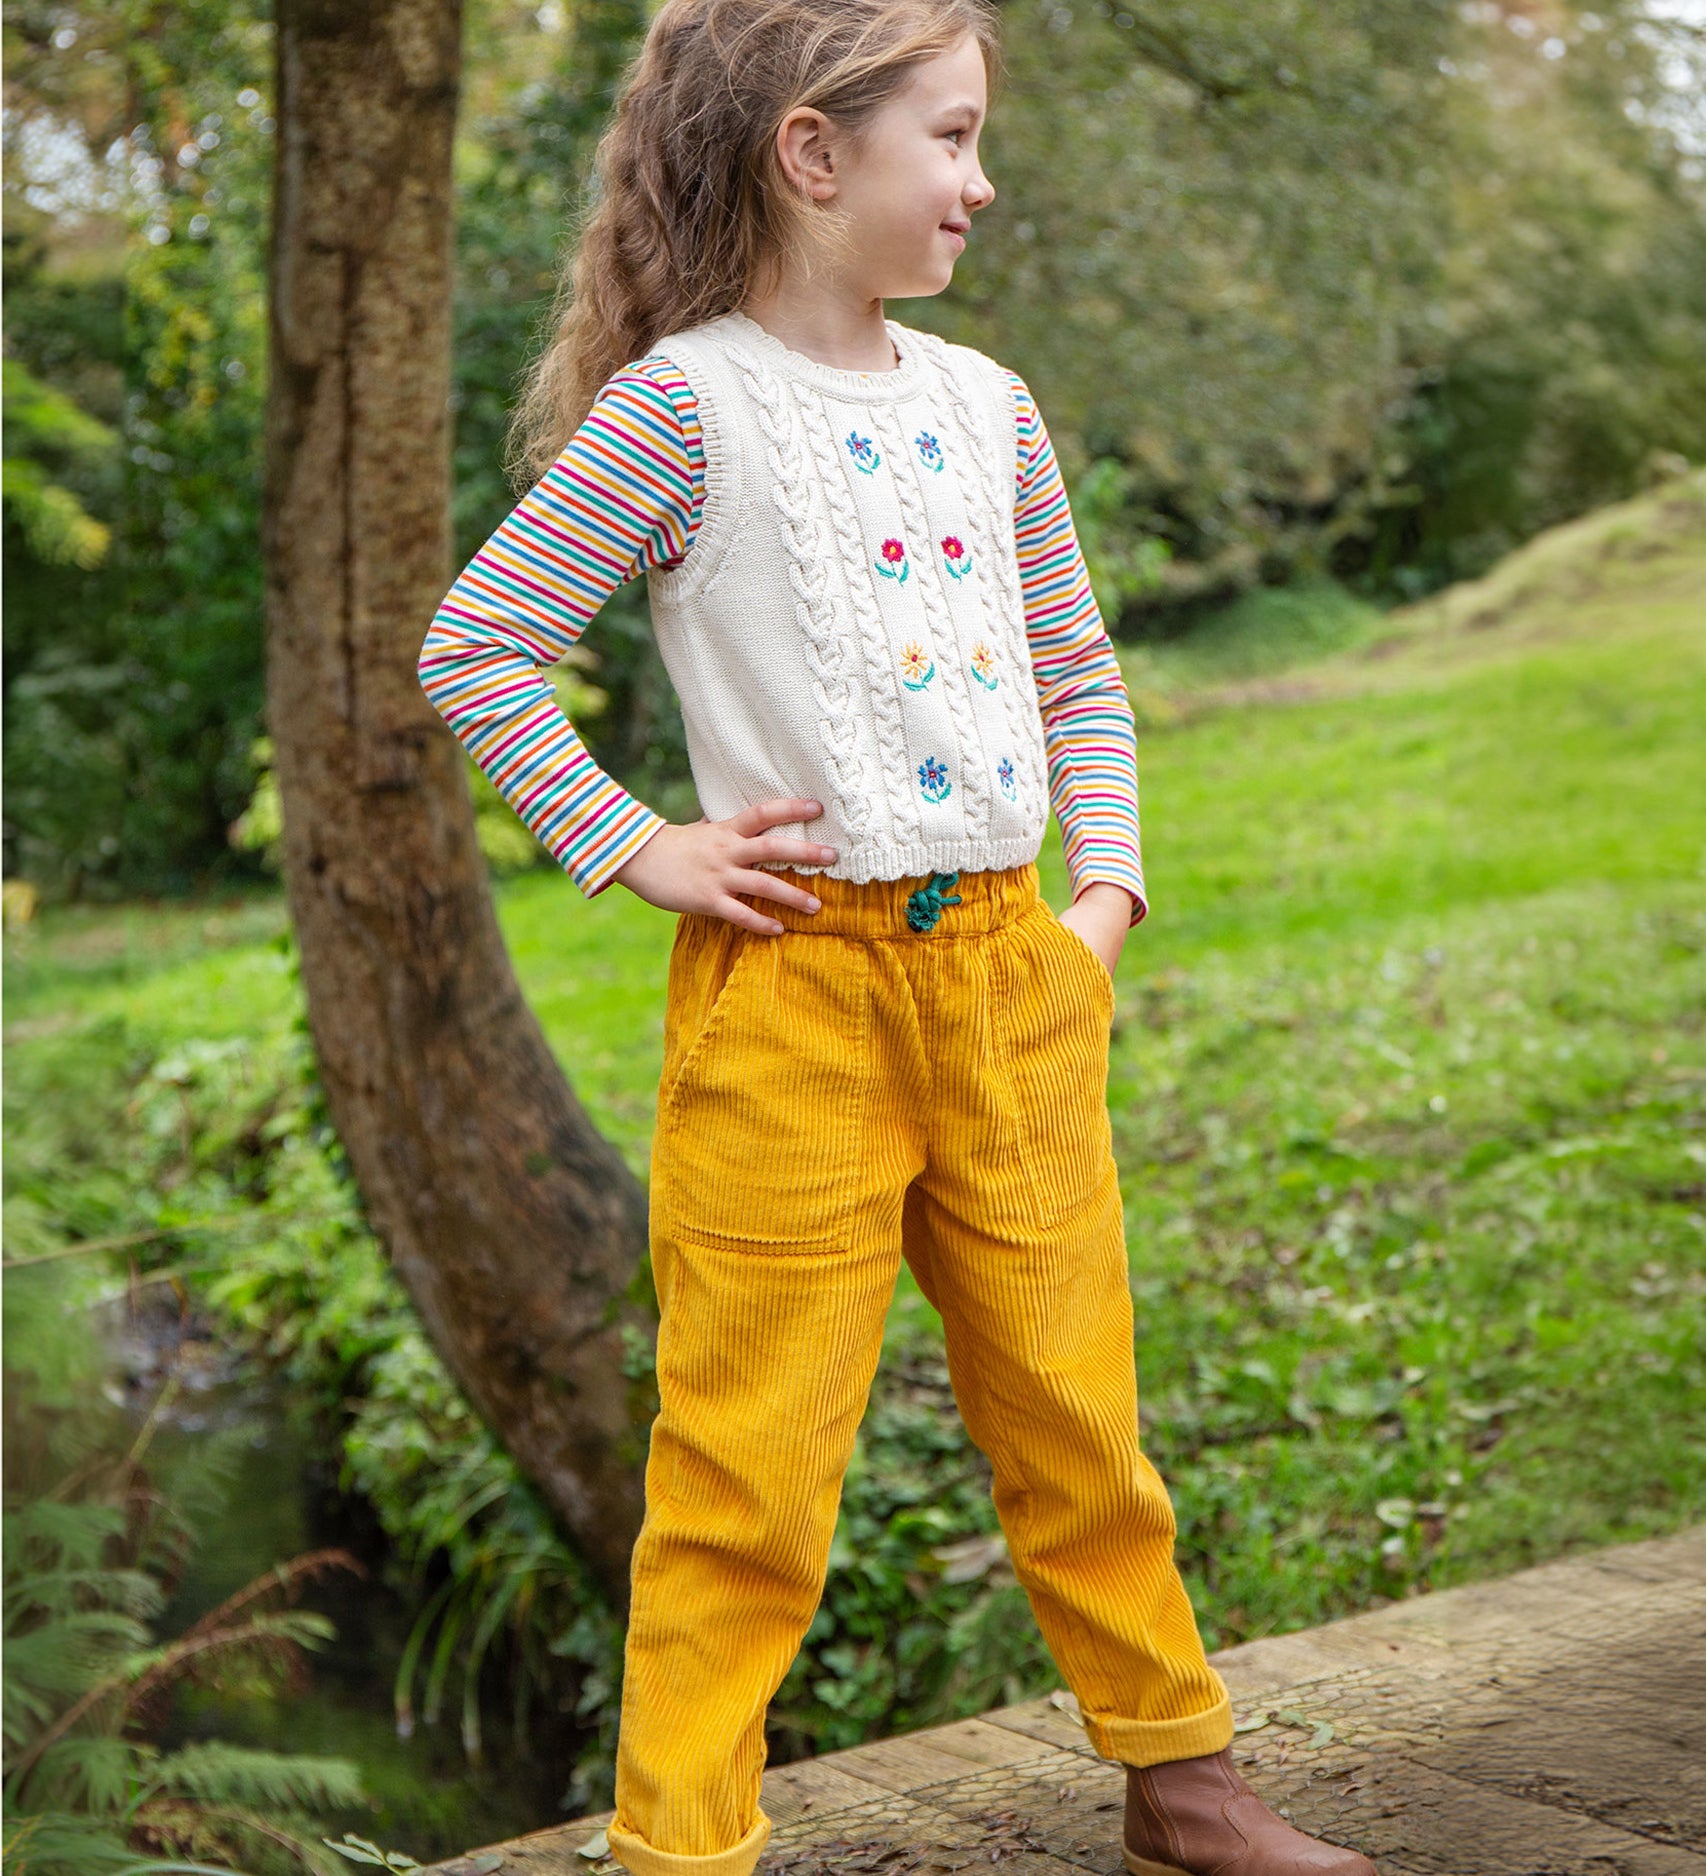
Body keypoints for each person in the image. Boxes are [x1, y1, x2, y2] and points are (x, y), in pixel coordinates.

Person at [417, 5, 1379, 1873]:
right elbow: (482, 647)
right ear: (810, 154)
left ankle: (1179, 1777)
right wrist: (634, 845)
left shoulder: (983, 404)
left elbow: (1072, 663)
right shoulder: (680, 406)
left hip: (1011, 977)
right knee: (743, 1471)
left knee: (1077, 1415)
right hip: (791, 1002)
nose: (977, 177)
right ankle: (683, 1849)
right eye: (947, 137)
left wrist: (1102, 897)